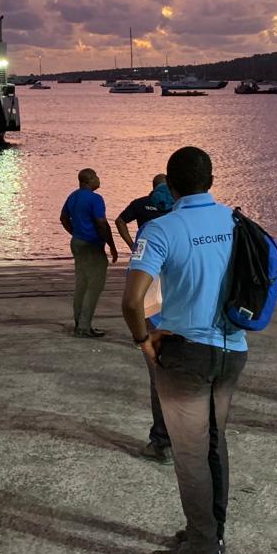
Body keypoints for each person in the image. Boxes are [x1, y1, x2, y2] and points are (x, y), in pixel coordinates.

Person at [121, 146, 246, 554]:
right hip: (233, 348)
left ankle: (202, 548)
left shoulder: (160, 229)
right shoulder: (236, 221)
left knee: (190, 453)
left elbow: (131, 301)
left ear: (170, 186)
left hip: (187, 352)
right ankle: (212, 532)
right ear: (210, 179)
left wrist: (145, 341)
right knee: (214, 441)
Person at [114, 173, 175, 465]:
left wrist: (141, 337)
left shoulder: (149, 232)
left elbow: (133, 298)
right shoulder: (198, 223)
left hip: (157, 315)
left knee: (161, 379)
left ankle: (163, 442)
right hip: (191, 316)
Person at [60, 170, 118, 338]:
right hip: (91, 246)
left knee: (81, 283)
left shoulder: (73, 196)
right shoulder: (95, 199)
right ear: (89, 179)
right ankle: (84, 327)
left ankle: (80, 323)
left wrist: (75, 233)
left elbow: (63, 218)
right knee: (94, 286)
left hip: (77, 243)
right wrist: (111, 245)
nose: (99, 179)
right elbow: (102, 223)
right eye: (96, 176)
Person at [115, 174, 172, 251]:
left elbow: (120, 221)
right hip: (168, 245)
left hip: (144, 246)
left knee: (140, 262)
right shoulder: (177, 203)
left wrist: (132, 246)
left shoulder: (140, 203)